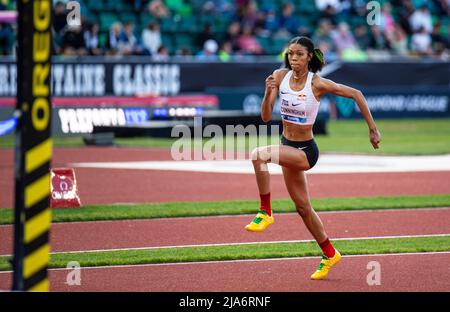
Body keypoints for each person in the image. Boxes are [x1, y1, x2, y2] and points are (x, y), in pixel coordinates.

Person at [245, 36, 381, 280]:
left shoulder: (317, 83)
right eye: (290, 54)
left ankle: (265, 212)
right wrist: (267, 93)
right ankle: (330, 254)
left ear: (309, 57)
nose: (293, 58)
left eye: (298, 54)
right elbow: (265, 117)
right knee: (303, 208)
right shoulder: (278, 77)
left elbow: (357, 94)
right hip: (287, 145)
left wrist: (372, 129)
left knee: (258, 155)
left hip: (306, 151)